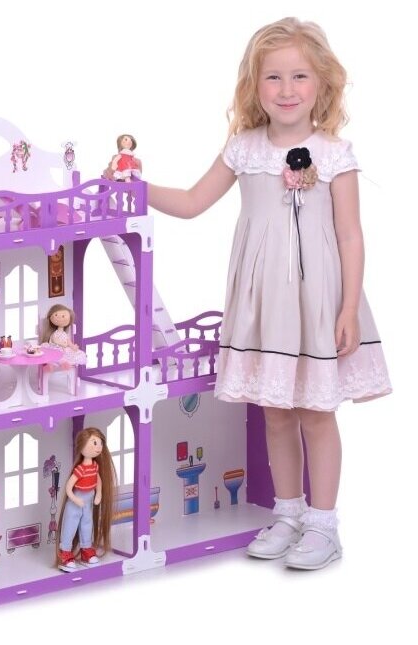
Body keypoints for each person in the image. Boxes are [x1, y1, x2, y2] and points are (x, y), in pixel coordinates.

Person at [147, 17, 391, 570]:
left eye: (299, 76)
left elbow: (350, 236)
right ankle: (288, 513)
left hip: (316, 303)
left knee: (315, 411)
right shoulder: (244, 149)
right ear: (254, 85)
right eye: (273, 77)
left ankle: (323, 525)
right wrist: (137, 187)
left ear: (322, 83)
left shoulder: (334, 154)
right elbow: (191, 202)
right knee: (276, 412)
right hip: (263, 306)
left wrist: (348, 308)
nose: (286, 89)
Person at [56, 428, 116, 571]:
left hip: (88, 500)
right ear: (82, 445)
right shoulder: (80, 469)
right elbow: (69, 487)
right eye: (94, 443)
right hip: (77, 500)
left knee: (87, 525)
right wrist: (75, 499)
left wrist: (99, 494)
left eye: (100, 443)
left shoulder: (95, 466)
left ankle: (86, 551)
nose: (98, 447)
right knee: (70, 525)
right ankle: (65, 553)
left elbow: (98, 480)